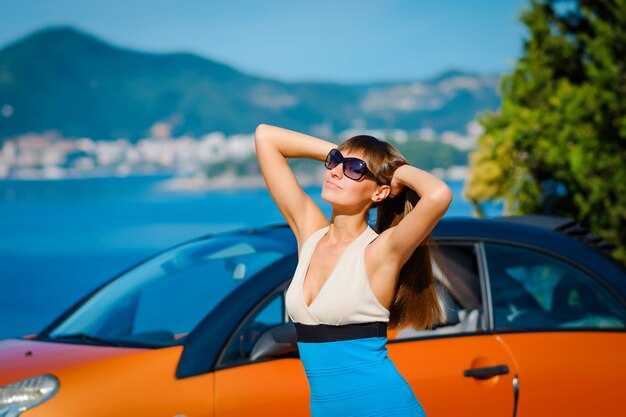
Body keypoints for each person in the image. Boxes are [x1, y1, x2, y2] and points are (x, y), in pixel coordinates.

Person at [254, 124, 453, 417]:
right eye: (334, 163)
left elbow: (438, 195)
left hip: (385, 408)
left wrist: (394, 171)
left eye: (355, 169)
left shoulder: (381, 251)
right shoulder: (310, 235)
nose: (334, 171)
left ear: (380, 193)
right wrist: (343, 156)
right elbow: (266, 137)